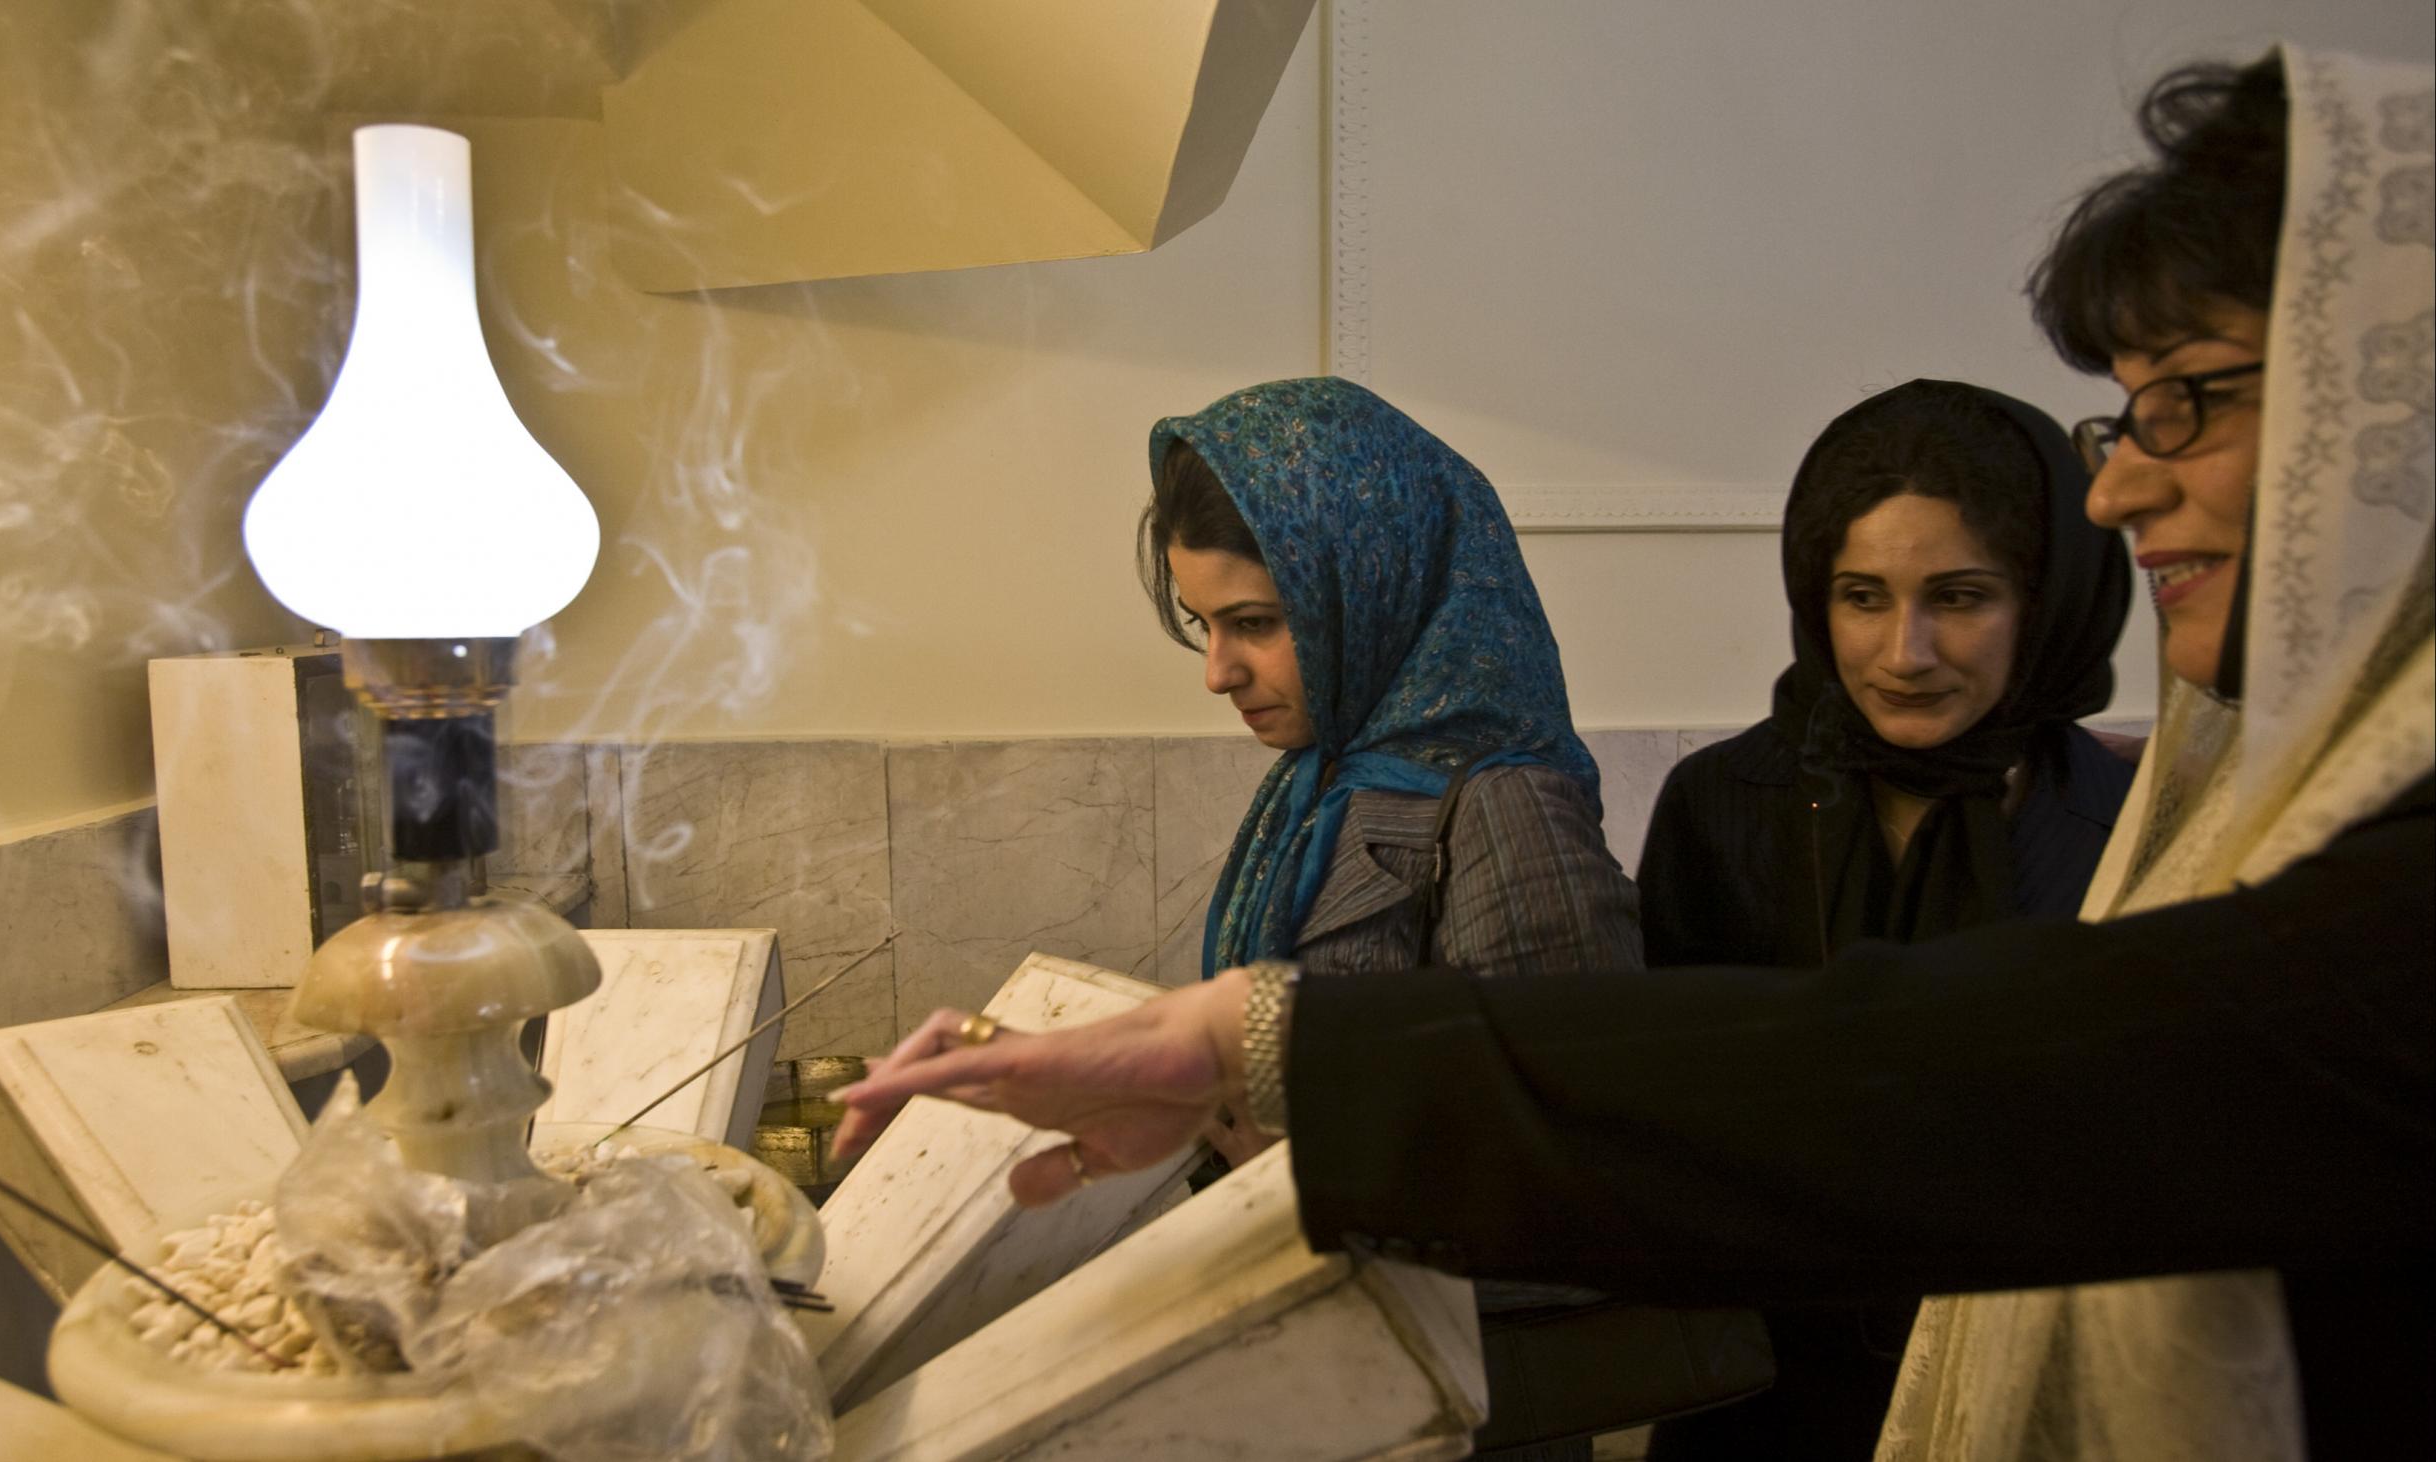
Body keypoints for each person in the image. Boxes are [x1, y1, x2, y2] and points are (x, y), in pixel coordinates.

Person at [830, 46, 2434, 1458]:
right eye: (2122, 415)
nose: (2120, 491)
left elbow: (1920, 1081)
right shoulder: (2202, 797)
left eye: (2194, 403)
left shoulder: (1505, 798)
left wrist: (1269, 1065)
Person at [1141, 377, 1643, 1458]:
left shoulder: (1503, 805)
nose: (1218, 672)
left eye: (1256, 625)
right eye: (1204, 626)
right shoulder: (1321, 785)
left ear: (1366, 588)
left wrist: (1302, 1161)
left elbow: (1573, 1185)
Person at [1638, 379, 2136, 1461]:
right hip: (1762, 1401)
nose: (1902, 651)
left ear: (2045, 601)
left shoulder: (2121, 830)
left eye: (1957, 595)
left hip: (2026, 1401)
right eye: (1860, 595)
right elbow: (1670, 1118)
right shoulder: (1725, 804)